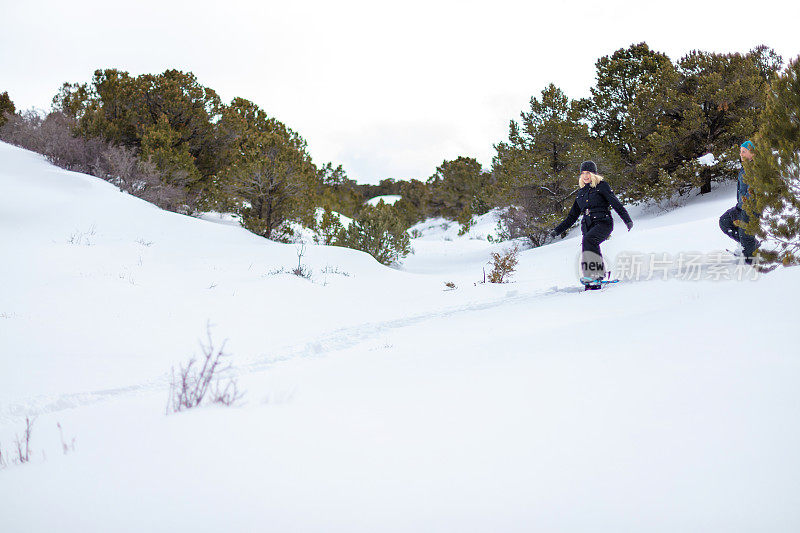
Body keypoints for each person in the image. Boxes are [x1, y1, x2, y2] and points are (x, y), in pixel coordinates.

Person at [552, 161, 633, 288]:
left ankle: (597, 275)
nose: (585, 176)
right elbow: (572, 216)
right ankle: (591, 282)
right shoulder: (581, 193)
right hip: (588, 226)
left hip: (603, 223)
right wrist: (557, 230)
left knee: (589, 240)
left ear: (593, 174)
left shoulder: (602, 186)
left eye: (588, 173)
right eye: (583, 173)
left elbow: (615, 203)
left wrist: (627, 219)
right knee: (588, 246)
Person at [719, 141, 759, 264]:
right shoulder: (744, 168)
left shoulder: (755, 168)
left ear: (752, 153)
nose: (741, 154)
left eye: (744, 151)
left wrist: (744, 208)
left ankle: (752, 263)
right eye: (740, 151)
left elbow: (753, 193)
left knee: (746, 237)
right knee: (724, 221)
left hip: (751, 209)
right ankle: (750, 244)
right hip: (741, 207)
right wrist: (739, 207)